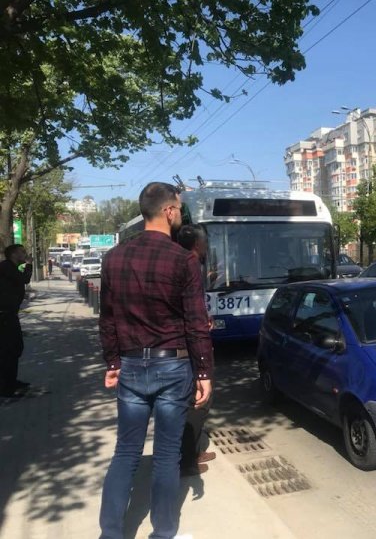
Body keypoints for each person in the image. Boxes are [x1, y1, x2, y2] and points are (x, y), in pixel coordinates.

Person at [98, 183, 213, 539]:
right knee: (166, 456)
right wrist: (204, 371)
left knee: (125, 453)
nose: (179, 213)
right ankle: (163, 533)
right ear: (167, 211)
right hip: (172, 366)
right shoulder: (184, 260)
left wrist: (112, 362)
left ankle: (111, 534)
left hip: (131, 367)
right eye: (178, 207)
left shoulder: (113, 258)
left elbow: (107, 318)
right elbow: (196, 320)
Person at [176, 224, 216, 476]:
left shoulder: (186, 262)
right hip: (190, 346)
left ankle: (193, 451)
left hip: (186, 341)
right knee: (199, 402)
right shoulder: (189, 263)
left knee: (197, 403)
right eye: (205, 241)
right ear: (198, 244)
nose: (207, 246)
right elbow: (189, 309)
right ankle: (187, 461)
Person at [0, 244, 33, 398]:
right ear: (13, 254)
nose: (24, 254)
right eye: (22, 252)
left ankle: (10, 382)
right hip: (4, 317)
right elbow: (24, 279)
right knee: (9, 350)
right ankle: (7, 387)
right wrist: (29, 264)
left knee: (15, 348)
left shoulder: (9, 268)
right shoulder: (6, 267)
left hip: (9, 315)